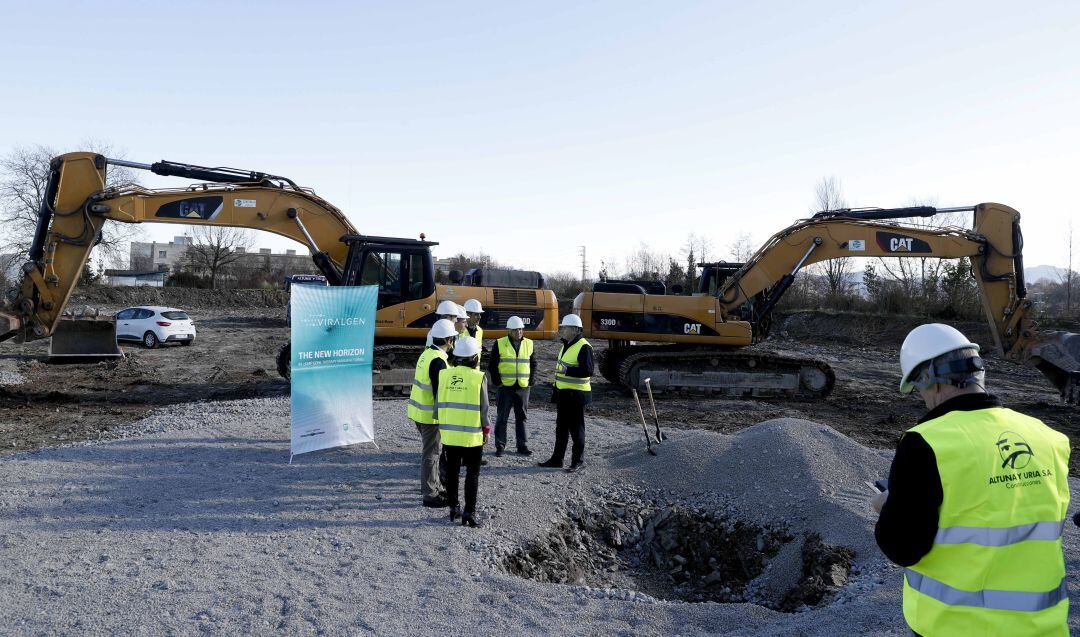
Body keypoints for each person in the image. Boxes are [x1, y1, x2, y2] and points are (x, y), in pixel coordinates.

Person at [874, 323, 1070, 636]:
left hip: (959, 627)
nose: (922, 398)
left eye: (919, 388)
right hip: (1042, 627)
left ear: (930, 379)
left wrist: (888, 506)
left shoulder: (925, 443)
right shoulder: (1049, 438)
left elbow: (902, 548)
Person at [435, 336, 490, 528]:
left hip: (449, 434)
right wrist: (486, 429)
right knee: (472, 474)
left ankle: (453, 507)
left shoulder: (444, 375)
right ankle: (469, 512)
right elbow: (484, 408)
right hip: (472, 436)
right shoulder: (478, 377)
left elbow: (438, 403)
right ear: (475, 358)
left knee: (452, 471)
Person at [408, 319, 457, 508]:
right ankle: (430, 494)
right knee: (432, 454)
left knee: (433, 453)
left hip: (420, 413)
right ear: (449, 339)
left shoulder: (427, 354)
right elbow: (440, 394)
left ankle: (434, 487)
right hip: (430, 417)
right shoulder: (438, 361)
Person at [539, 314, 593, 472]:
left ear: (575, 330)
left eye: (565, 328)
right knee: (561, 428)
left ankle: (577, 461)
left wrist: (567, 370)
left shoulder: (584, 346)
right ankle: (557, 459)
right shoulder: (566, 345)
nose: (562, 330)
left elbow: (588, 370)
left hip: (577, 396)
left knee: (577, 430)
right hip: (564, 394)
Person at [488, 315, 536, 457]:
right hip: (505, 387)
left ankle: (522, 445)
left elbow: (533, 363)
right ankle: (500, 446)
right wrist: (497, 382)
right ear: (509, 330)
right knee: (502, 417)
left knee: (522, 417)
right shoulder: (500, 343)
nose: (519, 332)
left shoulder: (529, 343)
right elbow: (492, 365)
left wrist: (531, 380)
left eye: (521, 329)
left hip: (523, 387)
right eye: (516, 330)